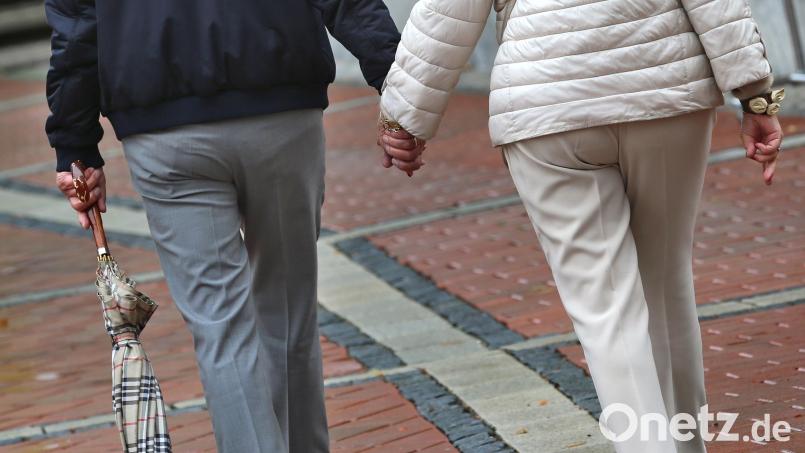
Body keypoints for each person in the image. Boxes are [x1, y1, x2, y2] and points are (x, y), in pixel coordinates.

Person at [376, 1, 783, 452]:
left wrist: (405, 116)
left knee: (605, 311)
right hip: (661, 84)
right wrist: (755, 94)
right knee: (666, 285)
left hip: (546, 102)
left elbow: (448, 8)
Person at [45, 0, 406, 451]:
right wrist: (399, 85)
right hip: (280, 103)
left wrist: (74, 145)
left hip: (163, 130)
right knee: (289, 310)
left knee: (220, 329)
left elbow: (78, 25)